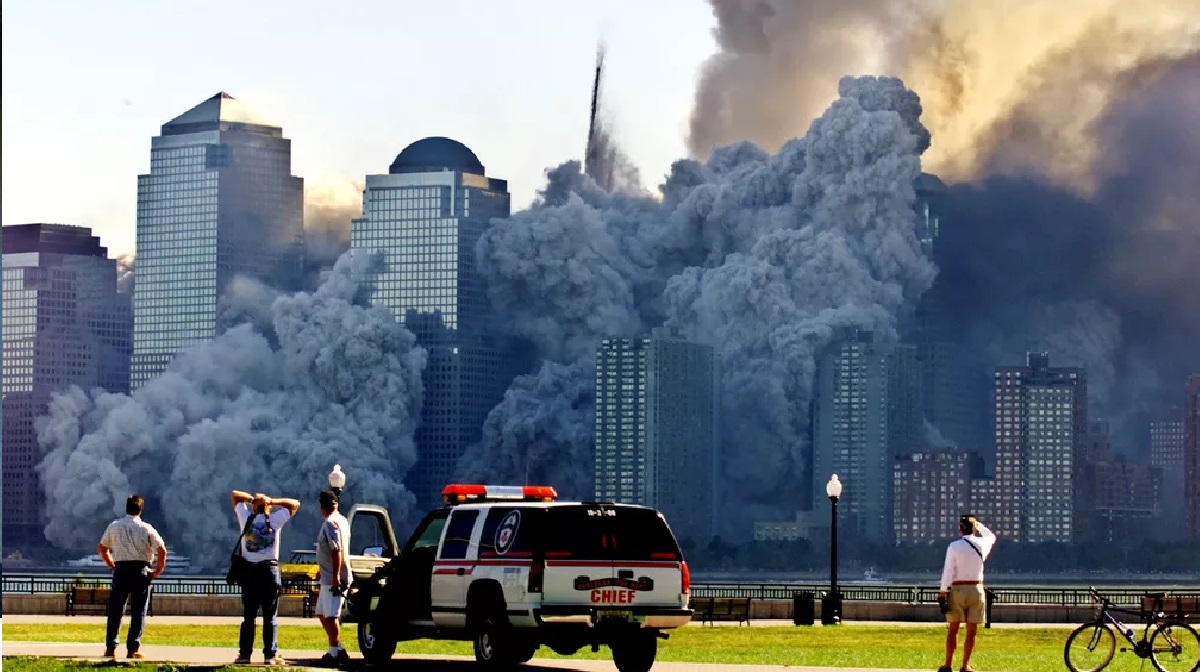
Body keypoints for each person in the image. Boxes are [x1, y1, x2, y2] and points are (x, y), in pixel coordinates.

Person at [231, 489, 300, 666]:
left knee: (249, 617)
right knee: (270, 616)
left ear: (254, 508)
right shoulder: (274, 520)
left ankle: (244, 655)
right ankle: (270, 655)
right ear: (267, 508)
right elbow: (294, 504)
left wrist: (253, 499)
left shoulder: (246, 518)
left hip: (249, 573)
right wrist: (271, 501)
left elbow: (234, 495)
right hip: (269, 572)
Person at [96, 494, 167, 659]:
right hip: (141, 571)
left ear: (126, 507)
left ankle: (111, 648)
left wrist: (110, 563)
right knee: (138, 611)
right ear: (141, 509)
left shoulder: (114, 526)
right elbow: (161, 550)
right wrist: (157, 571)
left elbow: (102, 547)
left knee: (115, 611)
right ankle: (132, 649)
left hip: (120, 570)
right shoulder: (146, 528)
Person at [937, 514, 997, 672]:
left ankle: (948, 664)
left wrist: (943, 592)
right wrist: (979, 526)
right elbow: (991, 536)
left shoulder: (954, 546)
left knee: (953, 630)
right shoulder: (982, 544)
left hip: (957, 589)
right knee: (971, 632)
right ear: (974, 528)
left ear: (960, 529)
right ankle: (965, 665)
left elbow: (948, 572)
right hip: (976, 589)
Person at [315, 489, 352, 668]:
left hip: (333, 579)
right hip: (327, 576)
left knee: (331, 616)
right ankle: (338, 649)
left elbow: (336, 549)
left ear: (322, 507)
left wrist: (336, 576)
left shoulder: (331, 523)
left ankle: (333, 654)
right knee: (322, 614)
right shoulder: (342, 520)